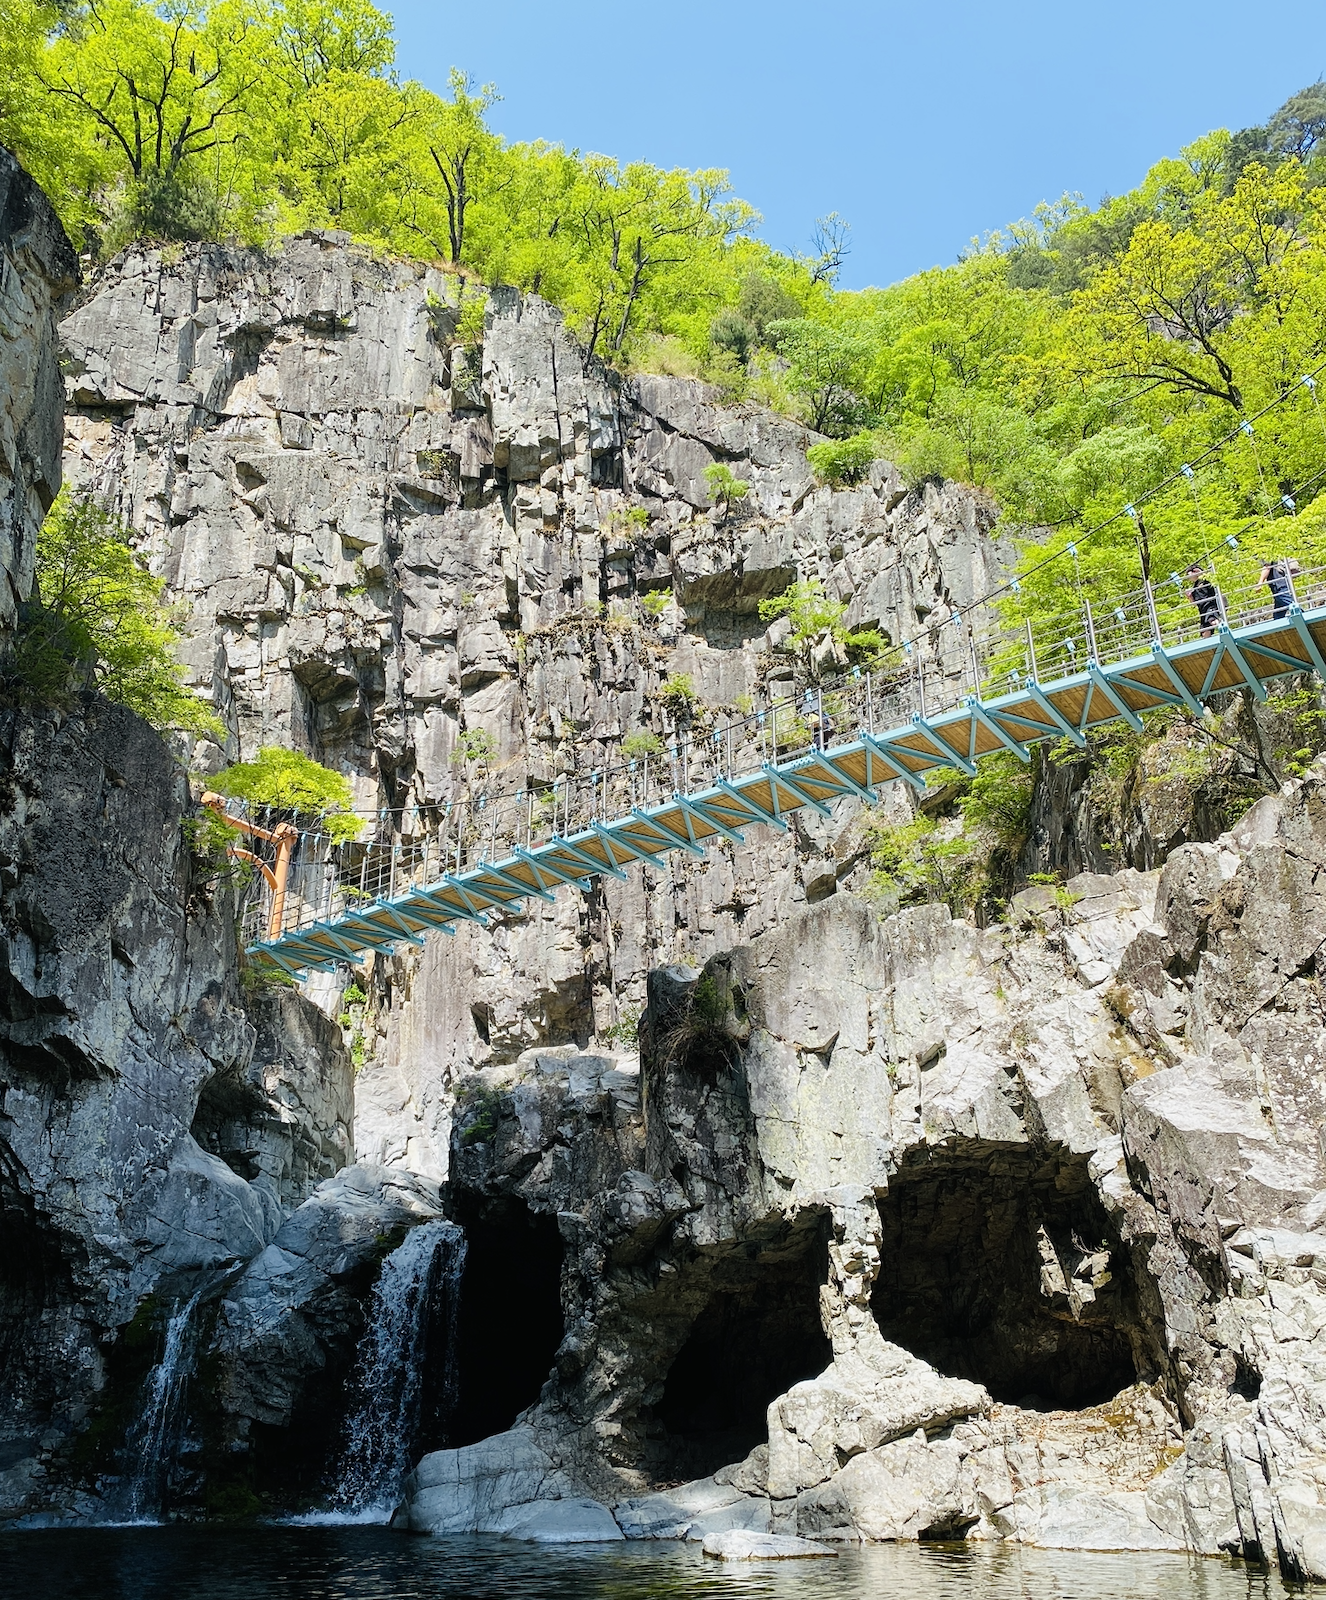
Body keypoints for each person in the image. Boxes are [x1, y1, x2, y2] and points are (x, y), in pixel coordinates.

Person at [1186, 565, 1221, 637]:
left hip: (1210, 606)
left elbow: (1212, 580)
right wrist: (1189, 596)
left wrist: (1200, 572)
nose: (1189, 577)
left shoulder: (1205, 580)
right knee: (1205, 632)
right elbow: (1194, 604)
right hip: (1202, 611)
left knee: (1213, 621)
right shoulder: (1194, 587)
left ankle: (1223, 629)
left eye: (1189, 575)